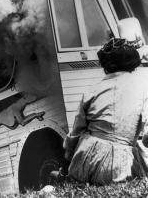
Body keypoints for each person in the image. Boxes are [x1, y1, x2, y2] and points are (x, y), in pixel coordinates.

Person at [63, 38, 148, 185]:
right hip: (119, 167)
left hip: (85, 162)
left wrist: (69, 155)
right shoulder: (142, 89)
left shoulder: (92, 90)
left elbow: (76, 132)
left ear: (105, 65)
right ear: (133, 63)